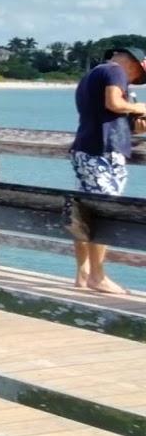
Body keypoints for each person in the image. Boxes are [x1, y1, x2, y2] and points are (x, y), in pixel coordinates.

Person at [69, 47, 146, 293]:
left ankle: (83, 274)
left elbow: (107, 115)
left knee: (85, 214)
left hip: (87, 148)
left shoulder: (92, 74)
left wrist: (135, 125)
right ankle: (98, 277)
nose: (133, 82)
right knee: (103, 215)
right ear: (134, 64)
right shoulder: (114, 71)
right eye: (137, 77)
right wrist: (140, 107)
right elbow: (114, 103)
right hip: (102, 153)